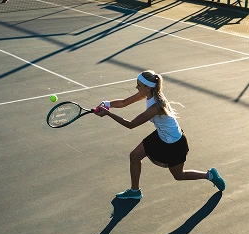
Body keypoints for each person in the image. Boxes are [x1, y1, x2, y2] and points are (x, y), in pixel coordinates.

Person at [95, 70, 225, 199]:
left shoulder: (155, 106)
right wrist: (107, 104)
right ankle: (135, 191)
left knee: (179, 176)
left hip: (174, 143)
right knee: (134, 156)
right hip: (161, 135)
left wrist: (108, 114)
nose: (137, 87)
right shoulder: (148, 94)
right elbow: (124, 102)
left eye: (139, 85)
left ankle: (209, 175)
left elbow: (131, 125)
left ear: (147, 87)